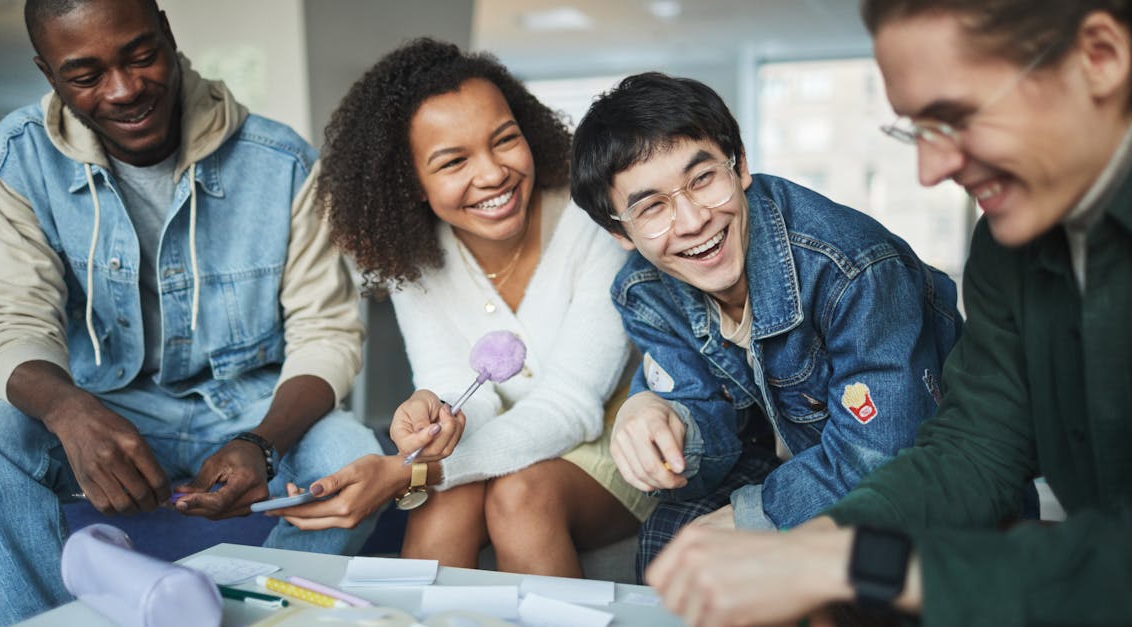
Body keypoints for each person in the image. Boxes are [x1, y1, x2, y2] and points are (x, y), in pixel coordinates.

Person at [640, 1, 1132, 625]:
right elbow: (976, 448)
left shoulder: (855, 263)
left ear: (1100, 58)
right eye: (918, 130)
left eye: (956, 117)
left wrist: (848, 563)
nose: (931, 171)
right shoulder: (1010, 245)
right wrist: (822, 546)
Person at [0, 0, 380, 623]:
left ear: (168, 34)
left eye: (141, 56)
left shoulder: (281, 162)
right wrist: (68, 410)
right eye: (86, 76)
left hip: (251, 405)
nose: (124, 91)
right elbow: (11, 323)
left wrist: (262, 442)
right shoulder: (16, 161)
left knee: (351, 457)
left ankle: (266, 612)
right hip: (101, 404)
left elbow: (326, 332)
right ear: (48, 72)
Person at [270, 38, 654, 578]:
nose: (493, 173)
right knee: (447, 499)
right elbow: (459, 386)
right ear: (411, 182)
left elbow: (572, 404)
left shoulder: (590, 221)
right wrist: (436, 417)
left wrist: (408, 473)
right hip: (513, 443)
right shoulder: (413, 256)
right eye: (453, 161)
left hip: (615, 441)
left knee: (517, 496)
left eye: (505, 141)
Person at [570, 71, 964, 581]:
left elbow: (884, 452)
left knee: (801, 566)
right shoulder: (644, 292)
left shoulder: (852, 267)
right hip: (785, 459)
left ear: (740, 167)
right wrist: (653, 415)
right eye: (651, 208)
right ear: (618, 231)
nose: (692, 221)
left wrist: (752, 519)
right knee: (671, 541)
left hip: (919, 478)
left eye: (703, 179)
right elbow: (707, 447)